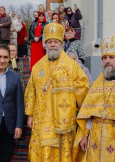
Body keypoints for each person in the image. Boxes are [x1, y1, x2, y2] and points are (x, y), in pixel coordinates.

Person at [25, 23, 89, 161]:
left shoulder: (71, 65)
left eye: (55, 42)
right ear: (45, 45)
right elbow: (31, 91)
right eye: (49, 42)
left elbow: (83, 86)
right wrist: (29, 115)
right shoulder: (38, 67)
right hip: (41, 118)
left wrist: (68, 91)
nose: (52, 45)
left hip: (63, 120)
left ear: (61, 43)